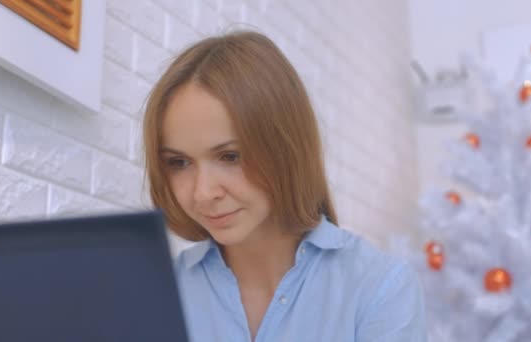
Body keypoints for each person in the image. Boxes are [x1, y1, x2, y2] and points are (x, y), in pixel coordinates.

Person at [143, 30, 426, 342]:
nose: (203, 193)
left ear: (286, 148)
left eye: (230, 156)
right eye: (179, 163)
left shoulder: (379, 289)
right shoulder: (157, 294)